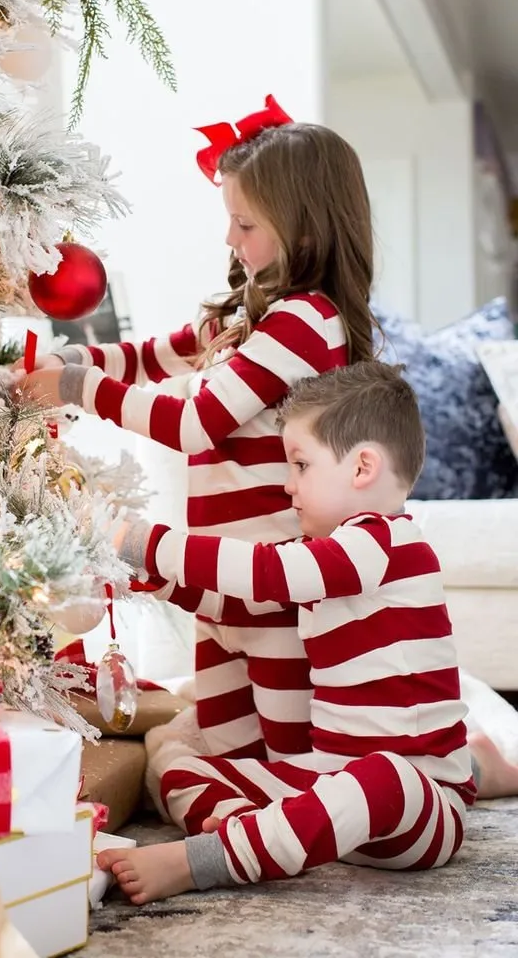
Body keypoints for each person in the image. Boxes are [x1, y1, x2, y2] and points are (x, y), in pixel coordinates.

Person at [13, 94, 376, 762]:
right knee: (224, 751)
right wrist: (74, 358)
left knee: (296, 761)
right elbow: (155, 355)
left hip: (271, 592)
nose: (230, 240)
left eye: (244, 224)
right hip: (222, 593)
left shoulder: (306, 322)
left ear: (301, 232)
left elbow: (195, 423)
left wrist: (77, 389)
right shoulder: (249, 317)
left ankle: (455, 768)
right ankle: (224, 806)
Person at [97, 361, 478, 904]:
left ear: (362, 467)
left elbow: (261, 572)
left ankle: (205, 859)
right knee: (172, 758)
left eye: (300, 465)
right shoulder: (324, 557)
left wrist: (139, 540)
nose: (287, 484)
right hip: (327, 783)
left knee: (381, 778)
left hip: (417, 804)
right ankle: (250, 834)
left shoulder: (385, 544)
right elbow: (236, 598)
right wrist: (146, 580)